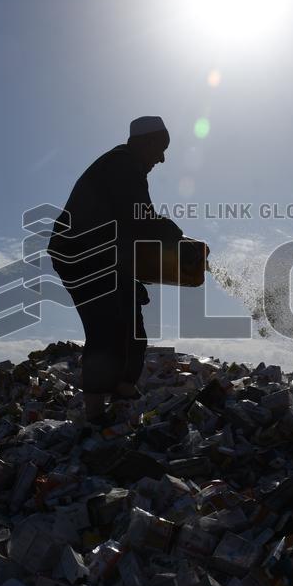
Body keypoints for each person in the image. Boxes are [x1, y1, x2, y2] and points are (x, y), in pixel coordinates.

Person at [48, 116, 200, 424]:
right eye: (160, 148)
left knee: (132, 325)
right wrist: (175, 233)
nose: (162, 158)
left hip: (103, 254)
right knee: (105, 328)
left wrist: (134, 277)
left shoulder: (126, 167)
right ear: (144, 142)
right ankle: (94, 417)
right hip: (81, 253)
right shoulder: (123, 165)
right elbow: (139, 220)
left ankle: (123, 393)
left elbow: (127, 230)